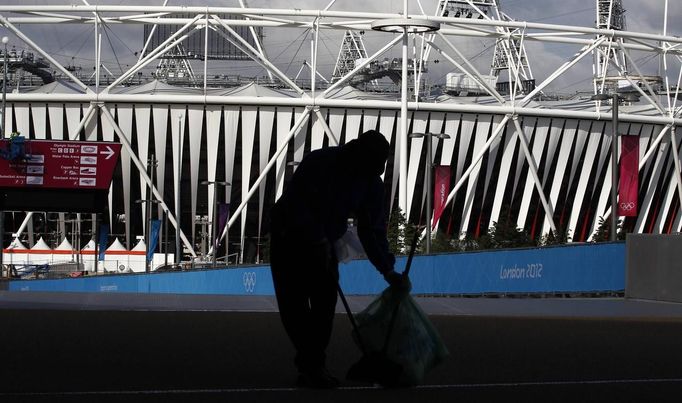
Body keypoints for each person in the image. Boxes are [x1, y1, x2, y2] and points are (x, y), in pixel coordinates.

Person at [269, 130, 405, 389]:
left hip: (325, 243)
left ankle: (313, 366)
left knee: (324, 306)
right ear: (358, 154)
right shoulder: (319, 162)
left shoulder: (372, 183)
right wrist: (317, 238)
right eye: (374, 164)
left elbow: (371, 230)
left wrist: (387, 270)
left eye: (382, 165)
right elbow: (296, 206)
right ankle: (312, 365)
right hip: (288, 238)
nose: (378, 171)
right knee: (294, 305)